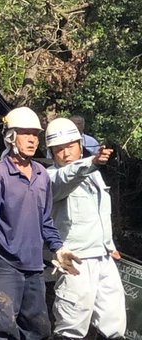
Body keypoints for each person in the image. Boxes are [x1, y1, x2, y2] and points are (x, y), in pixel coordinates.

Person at [0, 106, 81, 340]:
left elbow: (46, 221)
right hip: (5, 265)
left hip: (34, 268)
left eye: (35, 135)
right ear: (11, 137)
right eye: (26, 134)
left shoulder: (41, 175)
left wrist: (58, 249)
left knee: (38, 330)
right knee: (3, 329)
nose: (32, 140)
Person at [44, 117, 126, 340]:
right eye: (59, 149)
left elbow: (99, 212)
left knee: (114, 322)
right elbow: (66, 177)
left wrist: (109, 244)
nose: (66, 153)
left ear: (80, 146)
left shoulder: (94, 176)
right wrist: (93, 161)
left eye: (71, 146)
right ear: (51, 153)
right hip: (75, 259)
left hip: (102, 256)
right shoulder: (50, 177)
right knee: (71, 323)